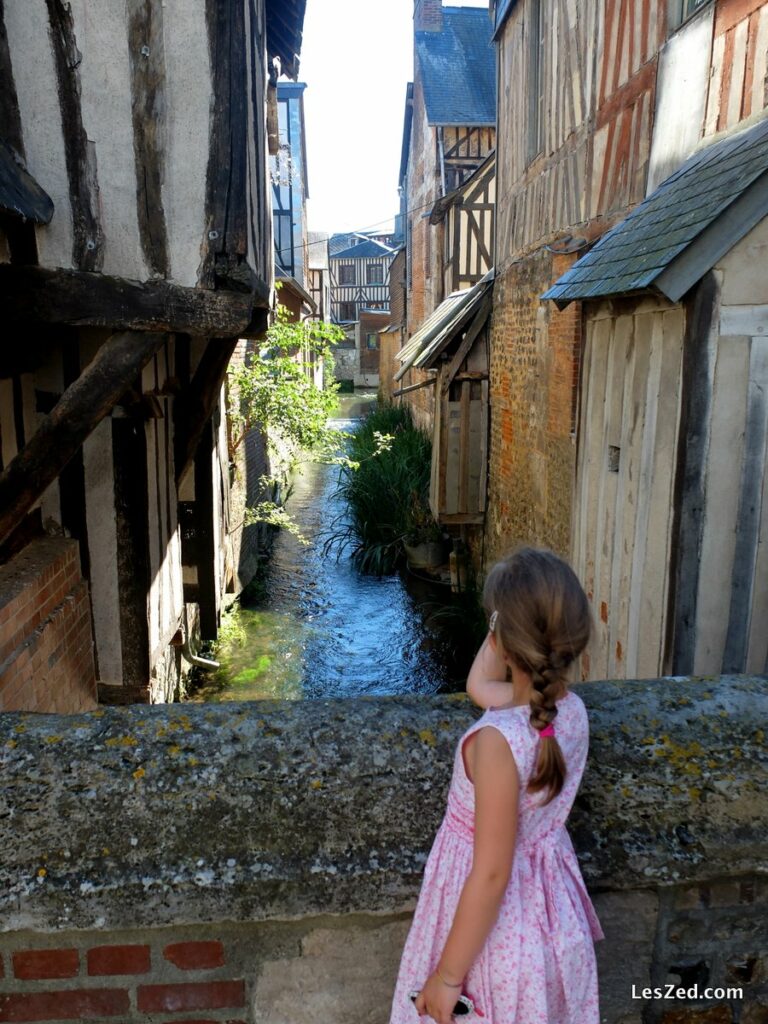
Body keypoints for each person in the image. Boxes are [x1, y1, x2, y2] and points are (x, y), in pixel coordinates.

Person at [388, 546, 605, 1024]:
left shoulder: (495, 743)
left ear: (504, 641)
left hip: (496, 938)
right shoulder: (567, 712)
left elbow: (491, 874)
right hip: (550, 917)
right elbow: (480, 687)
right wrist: (505, 632)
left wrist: (447, 978)